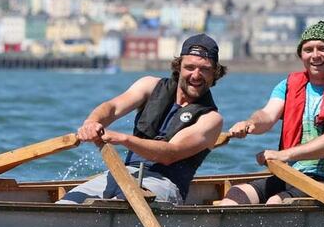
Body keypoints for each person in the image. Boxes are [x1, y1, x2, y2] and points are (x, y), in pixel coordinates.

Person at [57, 34, 226, 205]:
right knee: (65, 204)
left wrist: (123, 139)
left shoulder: (211, 119)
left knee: (114, 208)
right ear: (178, 67)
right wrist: (92, 123)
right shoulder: (149, 85)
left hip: (163, 183)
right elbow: (112, 107)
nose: (196, 75)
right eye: (190, 67)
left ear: (215, 73)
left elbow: (170, 153)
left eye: (204, 69)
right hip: (122, 173)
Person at [218, 21, 324, 205]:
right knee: (236, 195)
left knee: (277, 202)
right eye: (308, 50)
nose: (315, 55)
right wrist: (249, 123)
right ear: (301, 55)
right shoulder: (288, 86)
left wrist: (284, 155)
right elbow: (267, 116)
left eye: (323, 48)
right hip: (292, 175)